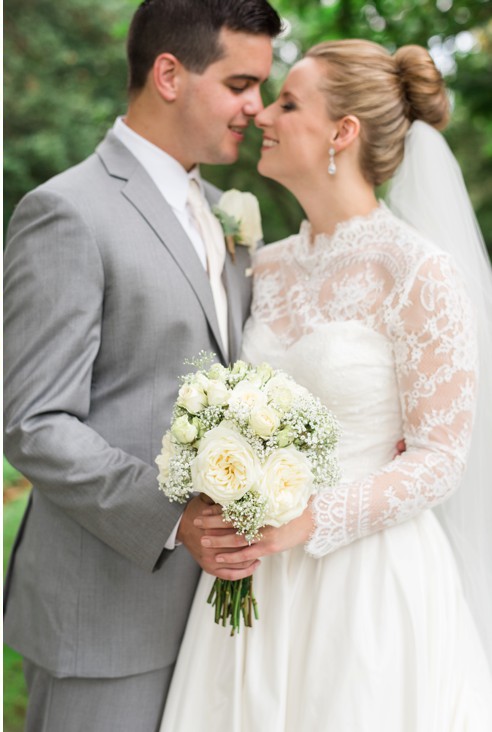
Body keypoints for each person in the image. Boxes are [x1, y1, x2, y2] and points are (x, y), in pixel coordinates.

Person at [160, 40, 492, 730]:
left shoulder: (417, 271)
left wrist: (306, 522)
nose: (263, 116)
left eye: (288, 102)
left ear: (343, 133)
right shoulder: (265, 267)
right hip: (256, 579)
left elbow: (440, 459)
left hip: (366, 581)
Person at [3, 1, 282, 728]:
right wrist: (173, 516)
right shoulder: (66, 211)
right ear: (168, 74)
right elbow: (34, 423)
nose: (256, 107)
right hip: (105, 611)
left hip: (219, 619)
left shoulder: (227, 213)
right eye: (241, 83)